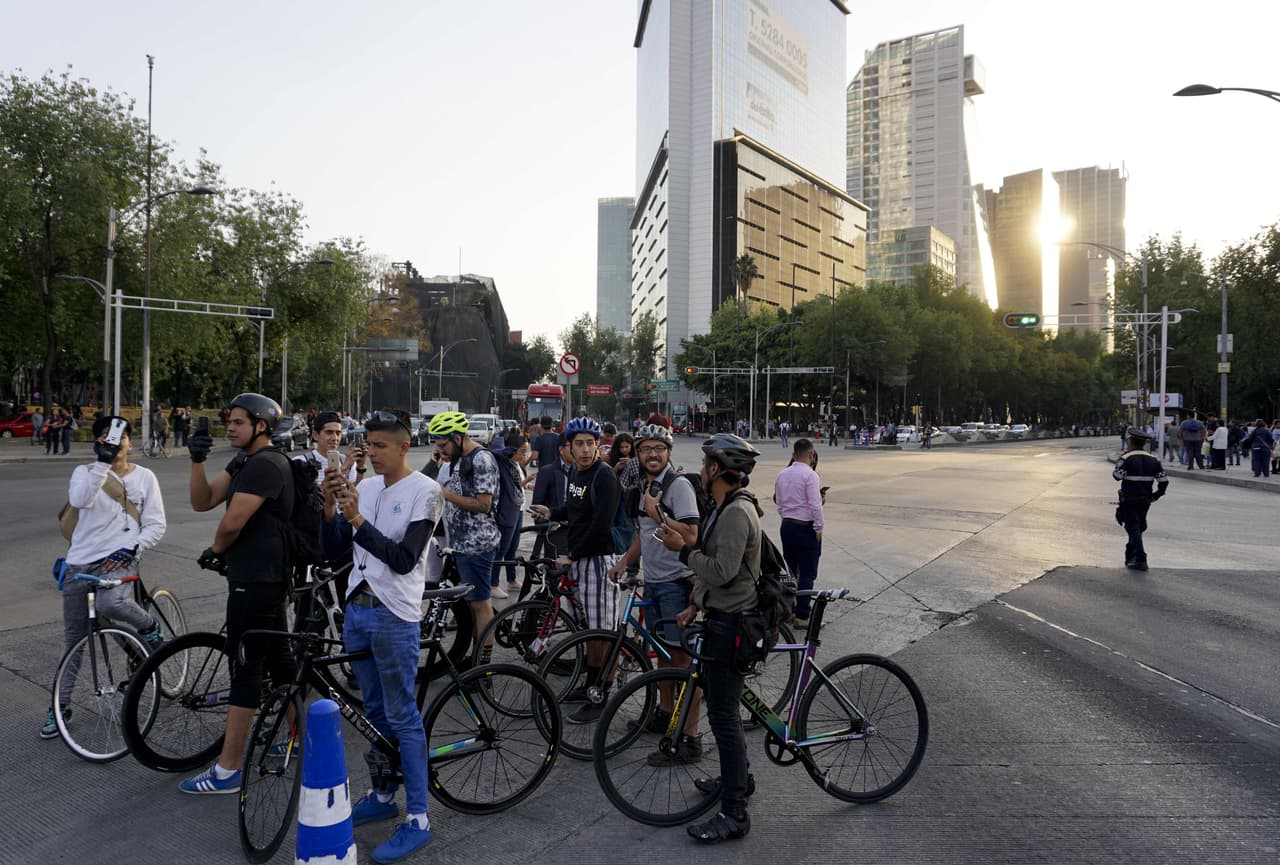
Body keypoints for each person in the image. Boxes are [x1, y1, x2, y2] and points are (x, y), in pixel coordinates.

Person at [320, 408, 440, 864]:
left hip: (395, 614)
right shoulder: (366, 487)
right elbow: (334, 551)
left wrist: (354, 520)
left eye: (381, 446)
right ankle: (384, 793)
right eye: (368, 445)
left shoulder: (426, 493)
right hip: (358, 610)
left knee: (402, 713)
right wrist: (332, 508)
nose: (371, 453)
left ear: (404, 446)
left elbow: (404, 558)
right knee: (372, 712)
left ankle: (420, 817)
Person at [180, 393, 296, 794]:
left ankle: (228, 770)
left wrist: (215, 551)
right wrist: (196, 460)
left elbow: (231, 522)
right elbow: (203, 501)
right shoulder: (245, 461)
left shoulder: (266, 464)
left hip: (258, 579)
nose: (229, 426)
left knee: (245, 668)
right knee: (281, 662)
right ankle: (300, 738)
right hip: (258, 577)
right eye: (228, 420)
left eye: (239, 422)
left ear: (262, 426)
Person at [656, 433, 761, 844]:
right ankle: (739, 779)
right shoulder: (723, 507)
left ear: (718, 470)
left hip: (734, 625)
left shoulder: (736, 514)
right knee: (727, 712)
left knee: (722, 716)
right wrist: (694, 604)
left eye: (704, 465)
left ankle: (734, 812)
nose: (700, 472)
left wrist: (682, 551)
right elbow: (712, 574)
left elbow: (722, 571)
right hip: (720, 616)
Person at [40, 415, 167, 738]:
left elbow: (156, 523)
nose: (115, 443)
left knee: (112, 604)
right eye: (107, 438)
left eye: (121, 437)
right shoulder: (83, 473)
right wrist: (101, 465)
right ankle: (60, 706)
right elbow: (81, 500)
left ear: (129, 441)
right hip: (79, 564)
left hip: (119, 561)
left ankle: (149, 626)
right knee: (74, 638)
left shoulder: (145, 477)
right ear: (98, 441)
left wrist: (132, 548)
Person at [609, 423, 701, 745]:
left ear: (669, 453)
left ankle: (689, 731)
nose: (653, 454)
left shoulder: (677, 487)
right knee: (662, 653)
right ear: (637, 454)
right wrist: (623, 562)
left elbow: (691, 535)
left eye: (659, 449)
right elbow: (642, 534)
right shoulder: (644, 487)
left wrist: (658, 512)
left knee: (680, 659)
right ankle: (664, 713)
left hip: (677, 583)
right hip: (655, 582)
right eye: (646, 449)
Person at [529, 416, 621, 725]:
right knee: (585, 631)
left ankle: (601, 693)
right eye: (578, 444)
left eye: (589, 444)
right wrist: (550, 511)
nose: (584, 450)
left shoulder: (604, 476)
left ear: (597, 445)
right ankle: (589, 684)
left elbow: (601, 525)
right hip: (580, 560)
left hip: (597, 561)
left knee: (601, 634)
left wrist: (573, 555)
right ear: (569, 447)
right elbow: (574, 510)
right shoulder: (576, 473)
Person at [430, 411, 502, 660]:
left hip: (477, 544)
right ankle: (474, 656)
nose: (442, 451)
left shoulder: (482, 459)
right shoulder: (458, 459)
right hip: (459, 543)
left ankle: (484, 667)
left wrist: (446, 494)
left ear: (458, 438)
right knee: (470, 605)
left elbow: (483, 504)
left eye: (444, 445)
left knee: (480, 605)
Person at [774, 438, 824, 627]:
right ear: (811, 454)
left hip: (787, 526)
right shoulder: (810, 476)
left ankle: (789, 611)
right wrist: (819, 527)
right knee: (807, 573)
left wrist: (786, 517)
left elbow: (779, 502)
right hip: (805, 528)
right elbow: (815, 505)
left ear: (793, 455)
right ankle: (802, 616)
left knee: (790, 572)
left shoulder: (782, 474)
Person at [1112, 428, 1169, 571]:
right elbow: (1164, 481)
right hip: (1145, 499)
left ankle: (1140, 558)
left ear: (1131, 442)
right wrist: (1156, 495)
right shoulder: (1153, 459)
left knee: (1132, 526)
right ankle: (1130, 554)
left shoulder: (1127, 458)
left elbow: (1117, 476)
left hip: (1129, 498)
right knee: (1138, 527)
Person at [488, 428, 529, 599]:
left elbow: (517, 484)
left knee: (512, 547)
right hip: (506, 510)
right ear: (511, 450)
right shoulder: (502, 461)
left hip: (518, 508)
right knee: (501, 548)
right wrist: (510, 449)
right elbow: (496, 448)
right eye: (522, 452)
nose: (524, 455)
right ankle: (493, 583)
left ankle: (511, 579)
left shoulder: (515, 464)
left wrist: (527, 483)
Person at [530, 433, 571, 558]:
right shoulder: (547, 471)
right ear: (561, 449)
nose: (578, 450)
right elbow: (538, 502)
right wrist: (542, 521)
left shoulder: (583, 472)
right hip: (556, 529)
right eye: (574, 445)